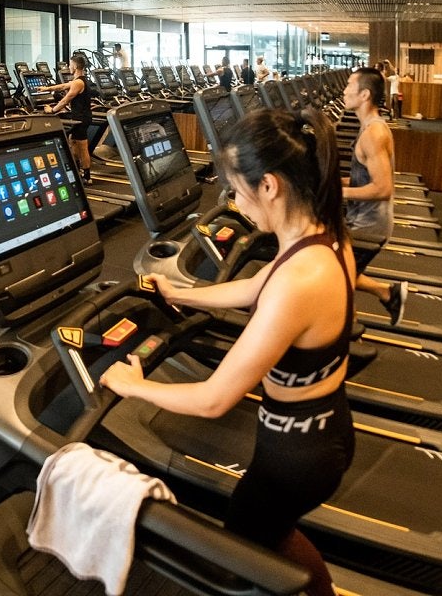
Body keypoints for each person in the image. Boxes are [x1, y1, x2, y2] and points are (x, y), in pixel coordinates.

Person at [100, 107, 355, 596]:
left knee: (248, 547)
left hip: (298, 452)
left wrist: (137, 387)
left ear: (270, 186)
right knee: (270, 535)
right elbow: (255, 287)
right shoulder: (319, 237)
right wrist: (181, 293)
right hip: (322, 427)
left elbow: (215, 400)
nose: (236, 203)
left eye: (238, 189)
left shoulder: (301, 279)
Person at [340, 67, 407, 323]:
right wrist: (333, 183)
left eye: (349, 86)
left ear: (364, 94)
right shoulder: (368, 128)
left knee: (336, 280)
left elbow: (382, 188)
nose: (344, 91)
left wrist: (340, 192)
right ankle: (387, 294)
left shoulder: (373, 134)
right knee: (339, 273)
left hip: (369, 226)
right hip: (364, 221)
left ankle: (348, 344)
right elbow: (364, 179)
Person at [43, 54, 93, 182]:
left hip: (81, 118)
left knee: (82, 146)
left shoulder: (78, 82)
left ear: (75, 66)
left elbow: (66, 99)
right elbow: (64, 86)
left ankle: (87, 176)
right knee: (73, 142)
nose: (68, 66)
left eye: (70, 64)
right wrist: (47, 88)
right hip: (80, 117)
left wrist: (52, 110)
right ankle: (77, 171)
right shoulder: (80, 80)